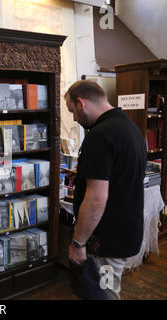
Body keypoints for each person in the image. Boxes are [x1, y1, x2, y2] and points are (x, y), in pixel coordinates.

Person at [65, 80, 146, 300]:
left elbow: (97, 199)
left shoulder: (99, 136)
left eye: (72, 111)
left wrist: (78, 242)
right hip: (124, 232)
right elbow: (120, 175)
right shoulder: (130, 128)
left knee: (105, 294)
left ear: (81, 103)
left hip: (106, 242)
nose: (73, 118)